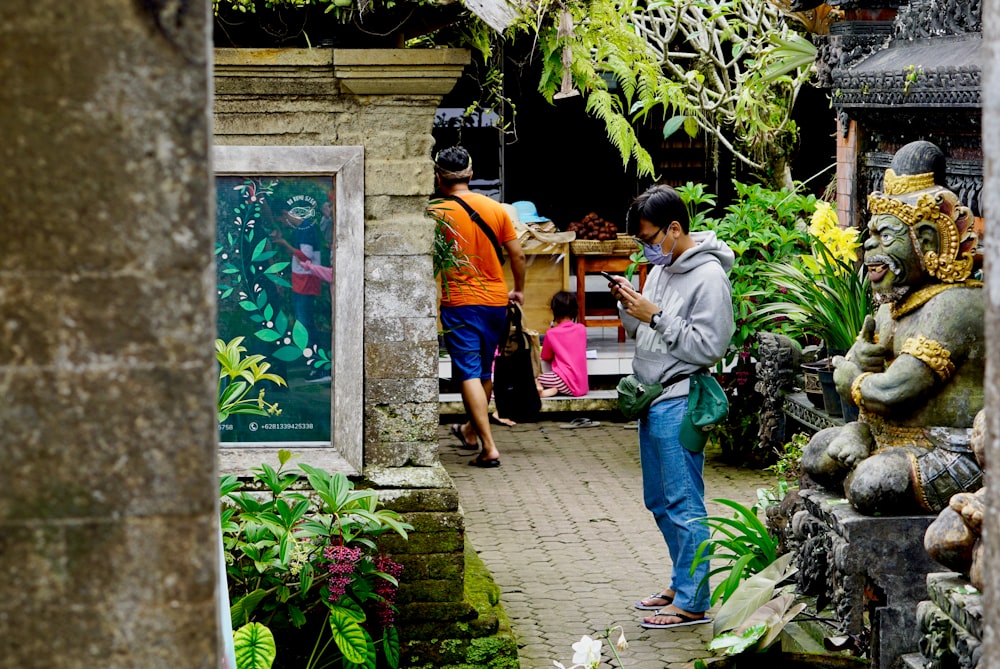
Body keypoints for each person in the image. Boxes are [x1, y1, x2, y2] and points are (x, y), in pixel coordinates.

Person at [609, 184, 734, 629]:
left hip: (680, 400)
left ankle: (694, 601)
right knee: (659, 500)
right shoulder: (661, 268)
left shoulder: (709, 276)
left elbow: (710, 346)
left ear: (675, 228)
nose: (647, 249)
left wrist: (655, 315)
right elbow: (647, 328)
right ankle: (681, 582)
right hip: (651, 397)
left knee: (684, 502)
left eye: (649, 239)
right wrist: (630, 306)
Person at [429, 146, 526, 468]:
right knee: (484, 370)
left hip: (460, 302)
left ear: (438, 177)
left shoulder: (434, 212)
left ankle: (489, 446)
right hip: (496, 301)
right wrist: (519, 290)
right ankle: (471, 432)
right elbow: (518, 255)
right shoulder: (497, 209)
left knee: (468, 372)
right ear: (470, 175)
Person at [270, 205, 329, 383]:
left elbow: (305, 257)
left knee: (305, 325)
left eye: (280, 220)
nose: (283, 224)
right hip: (301, 283)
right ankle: (317, 367)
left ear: (285, 214)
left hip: (306, 282)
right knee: (305, 325)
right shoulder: (303, 229)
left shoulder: (305, 228)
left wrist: (283, 243)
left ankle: (319, 368)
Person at [537, 291, 589, 397]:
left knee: (526, 377)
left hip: (563, 380)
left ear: (554, 311)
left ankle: (540, 391)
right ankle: (551, 390)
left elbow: (545, 356)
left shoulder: (552, 333)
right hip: (581, 385)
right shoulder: (581, 329)